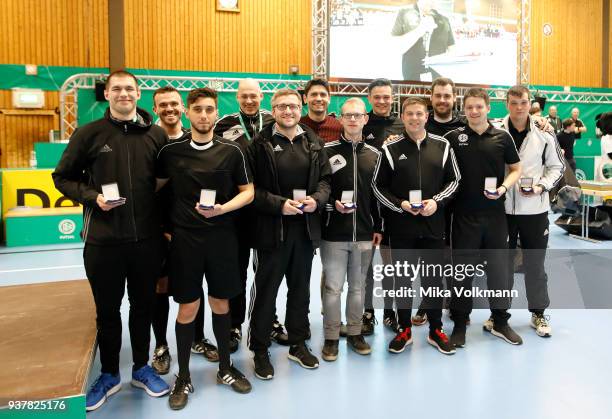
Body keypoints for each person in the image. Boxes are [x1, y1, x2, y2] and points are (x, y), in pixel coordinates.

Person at [52, 70, 170, 411]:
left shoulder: (156, 135)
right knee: (107, 311)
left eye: (129, 89)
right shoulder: (89, 134)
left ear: (138, 94)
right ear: (107, 94)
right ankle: (108, 374)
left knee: (143, 307)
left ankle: (141, 368)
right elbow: (62, 177)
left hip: (146, 241)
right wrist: (93, 197)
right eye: (116, 88)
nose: (123, 94)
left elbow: (166, 184)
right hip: (103, 242)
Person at [156, 87, 254, 410]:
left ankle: (225, 368)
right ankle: (183, 376)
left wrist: (223, 210)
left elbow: (248, 192)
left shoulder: (232, 151)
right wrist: (165, 230)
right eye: (197, 109)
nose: (203, 115)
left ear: (216, 112)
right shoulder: (170, 152)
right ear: (187, 112)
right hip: (185, 242)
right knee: (187, 308)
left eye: (209, 109)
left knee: (221, 303)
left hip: (222, 239)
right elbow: (154, 192)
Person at [247, 88, 331, 380]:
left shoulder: (314, 141)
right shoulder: (259, 144)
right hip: (272, 231)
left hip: (305, 230)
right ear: (273, 109)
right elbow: (250, 191)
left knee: (300, 290)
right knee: (266, 292)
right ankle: (259, 348)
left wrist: (316, 200)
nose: (288, 111)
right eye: (282, 107)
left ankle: (297, 342)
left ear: (301, 107)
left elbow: (325, 182)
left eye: (293, 106)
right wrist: (279, 205)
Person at [373, 97, 460, 355]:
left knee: (432, 279)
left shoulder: (443, 146)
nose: (414, 118)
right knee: (402, 280)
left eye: (419, 113)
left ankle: (435, 329)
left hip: (434, 226)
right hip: (401, 228)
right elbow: (378, 187)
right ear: (403, 116)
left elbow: (454, 181)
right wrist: (400, 204)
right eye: (409, 113)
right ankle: (404, 329)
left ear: (426, 116)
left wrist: (436, 201)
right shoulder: (390, 149)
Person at [444, 87, 522, 348]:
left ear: (488, 108)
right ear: (464, 110)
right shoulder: (453, 138)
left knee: (499, 271)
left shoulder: (502, 137)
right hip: (463, 217)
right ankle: (459, 324)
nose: (474, 111)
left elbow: (516, 169)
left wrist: (503, 188)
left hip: (495, 218)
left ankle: (500, 321)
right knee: (461, 274)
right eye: (469, 107)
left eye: (479, 106)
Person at [150, 86, 219, 375]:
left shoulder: (194, 142)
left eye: (174, 104)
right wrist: (159, 228)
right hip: (158, 231)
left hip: (190, 232)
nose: (169, 109)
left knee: (194, 287)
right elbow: (147, 190)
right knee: (161, 289)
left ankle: (197, 339)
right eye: (162, 104)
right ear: (155, 109)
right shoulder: (150, 142)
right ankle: (162, 345)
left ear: (183, 109)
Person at [213, 79, 286, 351]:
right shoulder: (224, 123)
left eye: (253, 96)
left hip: (266, 209)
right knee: (237, 271)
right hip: (238, 210)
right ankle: (234, 324)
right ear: (237, 97)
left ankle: (270, 319)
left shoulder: (273, 119)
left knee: (268, 271)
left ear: (261, 96)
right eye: (244, 96)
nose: (249, 100)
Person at [490, 85, 564, 338]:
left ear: (529, 103)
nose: (518, 107)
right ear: (506, 104)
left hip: (535, 211)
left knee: (535, 264)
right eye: (513, 102)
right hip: (502, 212)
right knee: (502, 266)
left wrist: (542, 186)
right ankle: (498, 315)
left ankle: (539, 313)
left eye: (523, 102)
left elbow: (557, 167)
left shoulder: (544, 132)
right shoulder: (495, 129)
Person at [320, 97, 381, 361]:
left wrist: (379, 226)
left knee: (357, 288)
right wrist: (332, 205)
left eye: (358, 115)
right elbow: (320, 190)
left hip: (365, 234)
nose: (353, 120)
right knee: (333, 288)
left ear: (365, 119)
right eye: (348, 115)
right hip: (333, 234)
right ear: (341, 119)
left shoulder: (376, 155)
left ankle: (355, 333)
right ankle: (332, 337)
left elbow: (379, 196)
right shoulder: (326, 151)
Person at [362, 78, 405, 335]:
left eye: (386, 97)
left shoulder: (402, 124)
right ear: (370, 98)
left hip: (392, 207)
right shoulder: (362, 122)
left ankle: (390, 312)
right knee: (364, 266)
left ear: (392, 97)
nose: (381, 101)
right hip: (365, 206)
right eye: (377, 97)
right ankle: (367, 313)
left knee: (391, 264)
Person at [391, 0, 455, 81]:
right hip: (411, 84)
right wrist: (421, 29)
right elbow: (395, 47)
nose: (432, 2)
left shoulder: (444, 20)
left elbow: (452, 51)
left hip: (439, 84)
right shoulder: (404, 14)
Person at [300, 78, 343, 143]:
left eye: (323, 95)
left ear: (329, 98)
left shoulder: (339, 127)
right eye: (314, 94)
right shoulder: (297, 127)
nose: (318, 99)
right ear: (305, 98)